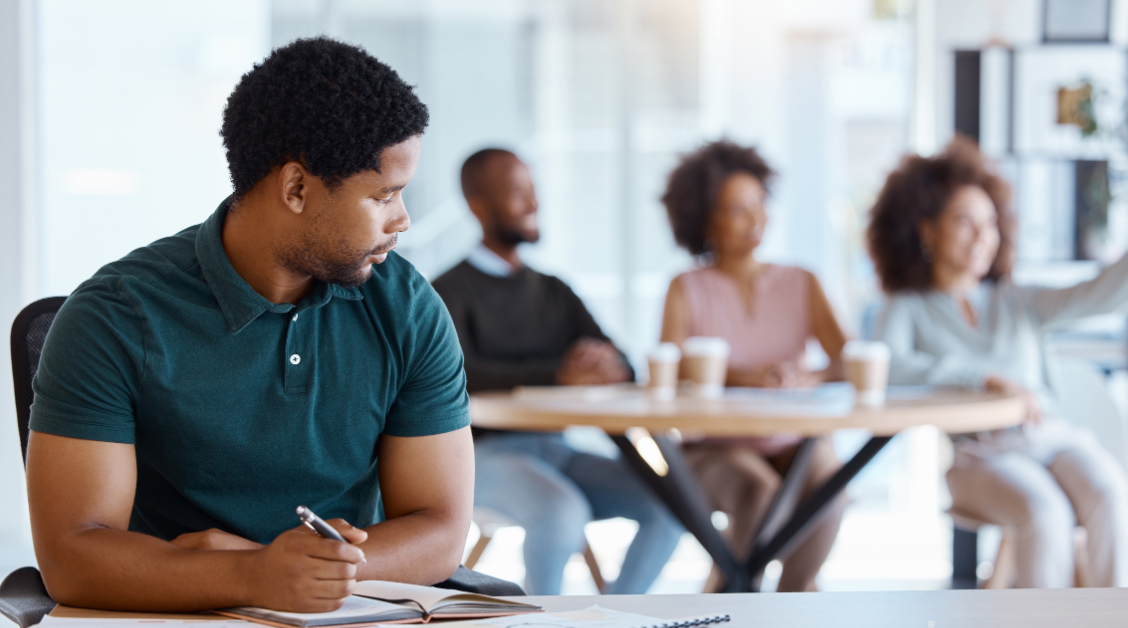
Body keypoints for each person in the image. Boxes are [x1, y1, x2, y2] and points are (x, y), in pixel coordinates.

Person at [25, 38, 475, 612]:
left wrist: (296, 572)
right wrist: (255, 576)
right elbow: (72, 556)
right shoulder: (114, 315)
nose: (403, 219)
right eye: (383, 194)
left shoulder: (406, 307)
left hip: (349, 616)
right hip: (174, 617)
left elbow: (439, 529)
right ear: (296, 188)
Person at [867, 137, 1128, 588]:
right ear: (926, 229)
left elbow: (1100, 295)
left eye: (990, 223)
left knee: (1111, 494)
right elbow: (890, 370)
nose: (982, 236)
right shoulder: (907, 306)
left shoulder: (1016, 300)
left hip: (1049, 436)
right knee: (1045, 512)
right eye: (964, 222)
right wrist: (982, 378)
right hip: (979, 456)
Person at [432, 148, 683, 595]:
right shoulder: (448, 290)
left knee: (671, 503)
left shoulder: (553, 289)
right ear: (478, 205)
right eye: (517, 193)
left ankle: (617, 619)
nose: (534, 203)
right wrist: (558, 374)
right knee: (561, 511)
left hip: (558, 450)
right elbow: (457, 375)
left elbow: (621, 363)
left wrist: (605, 365)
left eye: (534, 191)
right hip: (483, 458)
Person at [658, 140, 848, 592]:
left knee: (830, 484)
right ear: (705, 219)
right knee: (758, 494)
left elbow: (848, 360)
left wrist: (809, 376)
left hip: (790, 440)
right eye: (736, 210)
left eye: (760, 204)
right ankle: (734, 595)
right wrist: (742, 377)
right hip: (715, 445)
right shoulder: (686, 288)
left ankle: (792, 599)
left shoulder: (802, 281)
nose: (755, 219)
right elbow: (672, 368)